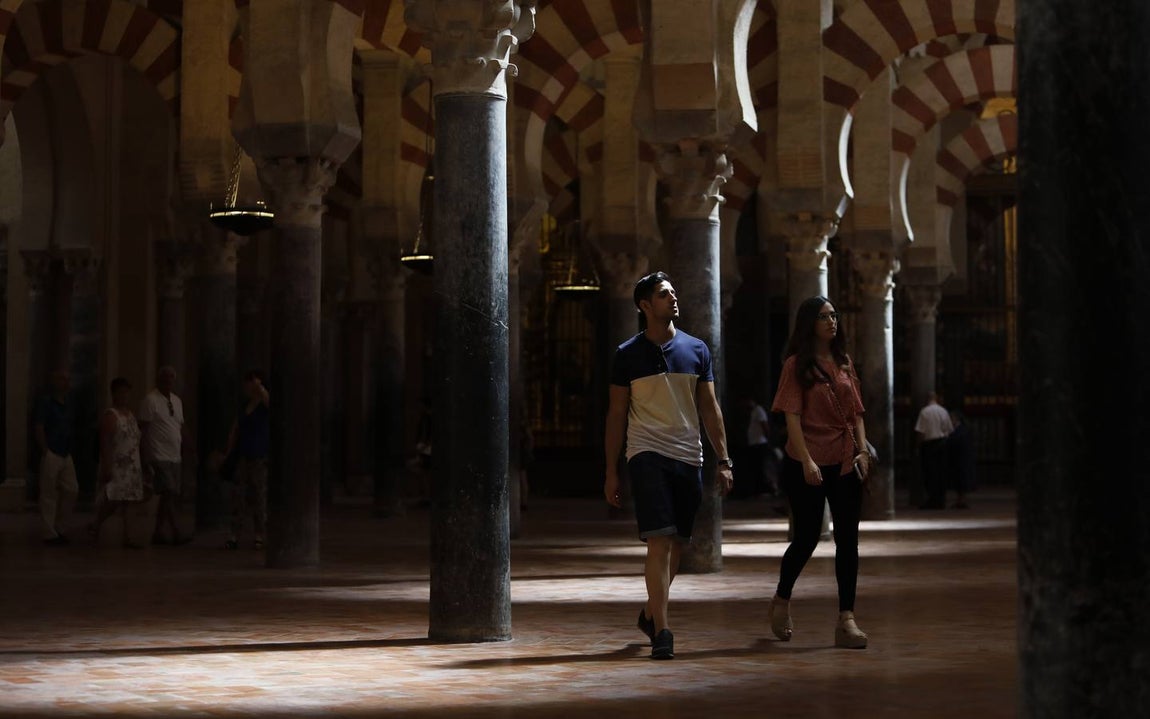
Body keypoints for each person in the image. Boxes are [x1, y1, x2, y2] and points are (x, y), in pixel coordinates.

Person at [604, 271, 734, 660]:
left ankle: (649, 613)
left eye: (673, 292)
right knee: (659, 540)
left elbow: (710, 409)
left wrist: (724, 459)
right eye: (664, 294)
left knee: (677, 544)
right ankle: (663, 631)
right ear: (645, 306)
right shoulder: (626, 355)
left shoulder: (696, 350)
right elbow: (615, 414)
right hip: (646, 454)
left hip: (687, 455)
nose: (673, 298)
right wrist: (612, 469)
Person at [767, 296, 872, 649]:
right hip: (806, 461)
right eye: (824, 316)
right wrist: (808, 460)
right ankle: (781, 599)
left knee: (848, 540)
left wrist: (862, 450)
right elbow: (791, 415)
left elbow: (856, 412)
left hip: (844, 459)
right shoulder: (796, 365)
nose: (832, 321)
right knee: (808, 537)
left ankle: (847, 619)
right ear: (809, 322)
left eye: (834, 315)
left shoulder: (844, 362)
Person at [89, 378, 147, 542]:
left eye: (127, 393)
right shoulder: (111, 415)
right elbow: (105, 442)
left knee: (129, 501)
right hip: (118, 464)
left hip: (132, 464)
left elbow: (136, 439)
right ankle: (96, 523)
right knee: (113, 499)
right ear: (114, 393)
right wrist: (107, 465)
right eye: (121, 392)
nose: (125, 396)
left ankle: (129, 535)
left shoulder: (130, 415)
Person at [138, 366, 190, 544]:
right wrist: (144, 456)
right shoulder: (150, 400)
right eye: (165, 378)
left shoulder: (176, 401)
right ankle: (177, 531)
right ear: (158, 380)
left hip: (175, 455)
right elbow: (143, 430)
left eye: (171, 378)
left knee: (169, 495)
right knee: (169, 491)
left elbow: (180, 427)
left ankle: (158, 532)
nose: (168, 381)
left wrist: (189, 448)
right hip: (158, 454)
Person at [222, 370, 270, 550]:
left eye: (251, 383)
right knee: (238, 496)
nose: (248, 387)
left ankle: (259, 535)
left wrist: (260, 387)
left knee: (259, 496)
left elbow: (268, 400)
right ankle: (234, 535)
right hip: (243, 456)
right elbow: (235, 428)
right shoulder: (244, 405)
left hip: (259, 457)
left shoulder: (264, 403)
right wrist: (228, 451)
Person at [34, 369, 77, 545]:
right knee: (49, 493)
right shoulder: (46, 403)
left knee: (71, 489)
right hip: (52, 451)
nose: (65, 383)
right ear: (54, 381)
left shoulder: (68, 404)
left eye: (68, 379)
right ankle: (49, 532)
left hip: (66, 452)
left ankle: (61, 527)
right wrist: (45, 450)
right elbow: (39, 426)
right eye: (61, 379)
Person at [915, 392, 953, 509]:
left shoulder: (924, 412)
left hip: (929, 445)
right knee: (941, 473)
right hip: (941, 444)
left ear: (928, 399)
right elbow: (949, 430)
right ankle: (941, 500)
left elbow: (921, 432)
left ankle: (932, 500)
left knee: (930, 473)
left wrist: (917, 447)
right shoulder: (943, 411)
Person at [946, 410, 976, 509]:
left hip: (962, 459)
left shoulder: (961, 430)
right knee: (959, 481)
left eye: (951, 419)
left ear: (955, 419)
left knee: (962, 480)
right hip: (959, 459)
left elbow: (956, 443)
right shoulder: (959, 430)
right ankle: (960, 500)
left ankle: (961, 500)